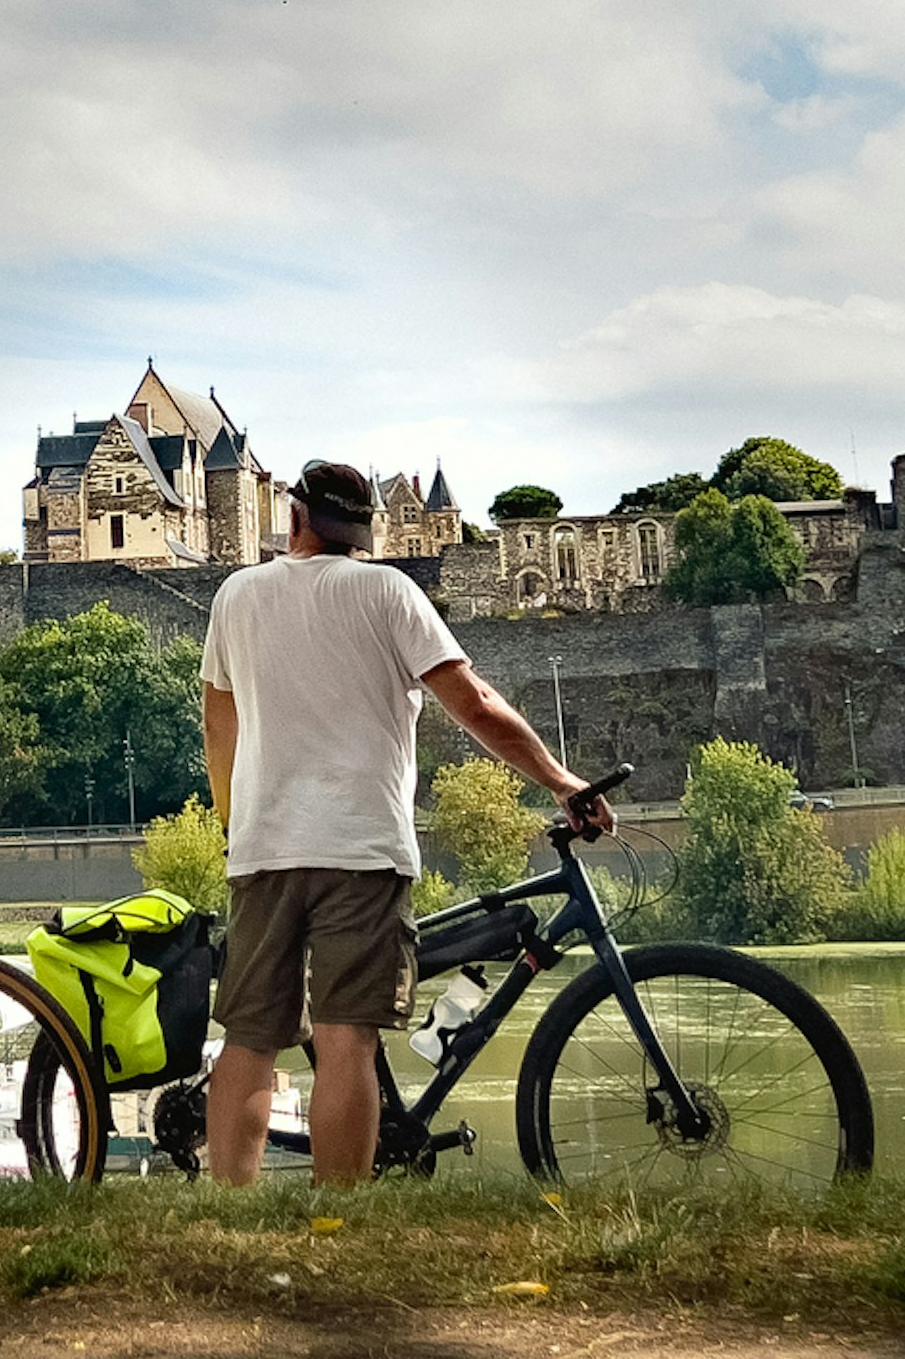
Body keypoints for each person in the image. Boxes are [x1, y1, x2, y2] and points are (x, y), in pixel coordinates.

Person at [201, 458, 615, 1185]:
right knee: (346, 1041)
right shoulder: (388, 590)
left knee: (249, 1040)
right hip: (360, 849)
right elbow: (474, 702)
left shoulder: (237, 596)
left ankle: (226, 1210)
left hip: (263, 851)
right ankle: (339, 1215)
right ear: (361, 533)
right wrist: (560, 780)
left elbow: (218, 722)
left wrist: (238, 823)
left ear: (294, 517)